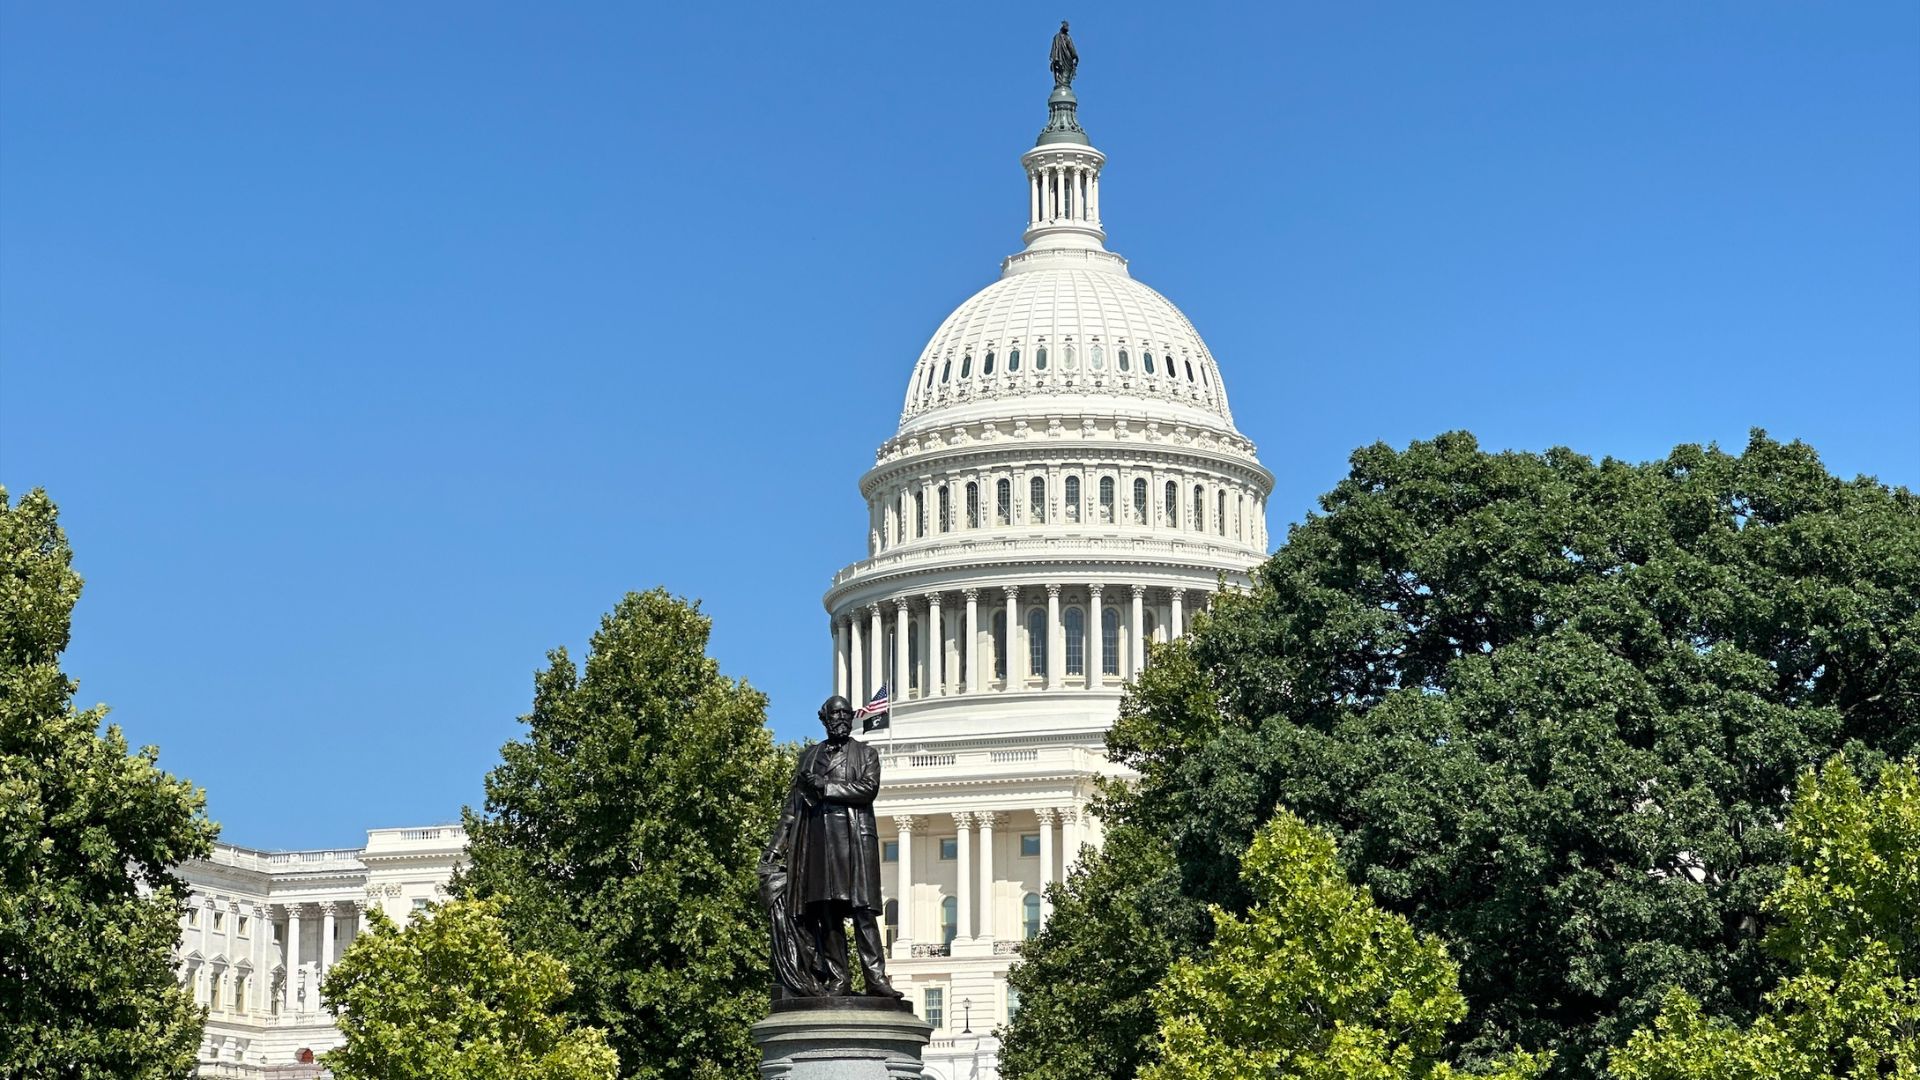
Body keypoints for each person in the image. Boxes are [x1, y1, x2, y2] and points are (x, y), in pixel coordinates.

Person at [760, 695, 903, 998]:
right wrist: (775, 848)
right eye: (834, 715)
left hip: (852, 842)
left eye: (845, 714)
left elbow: (867, 788)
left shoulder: (866, 754)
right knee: (828, 914)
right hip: (817, 844)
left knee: (863, 912)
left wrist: (824, 787)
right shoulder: (808, 757)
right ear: (823, 718)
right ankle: (839, 979)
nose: (840, 719)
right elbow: (792, 808)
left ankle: (876, 978)